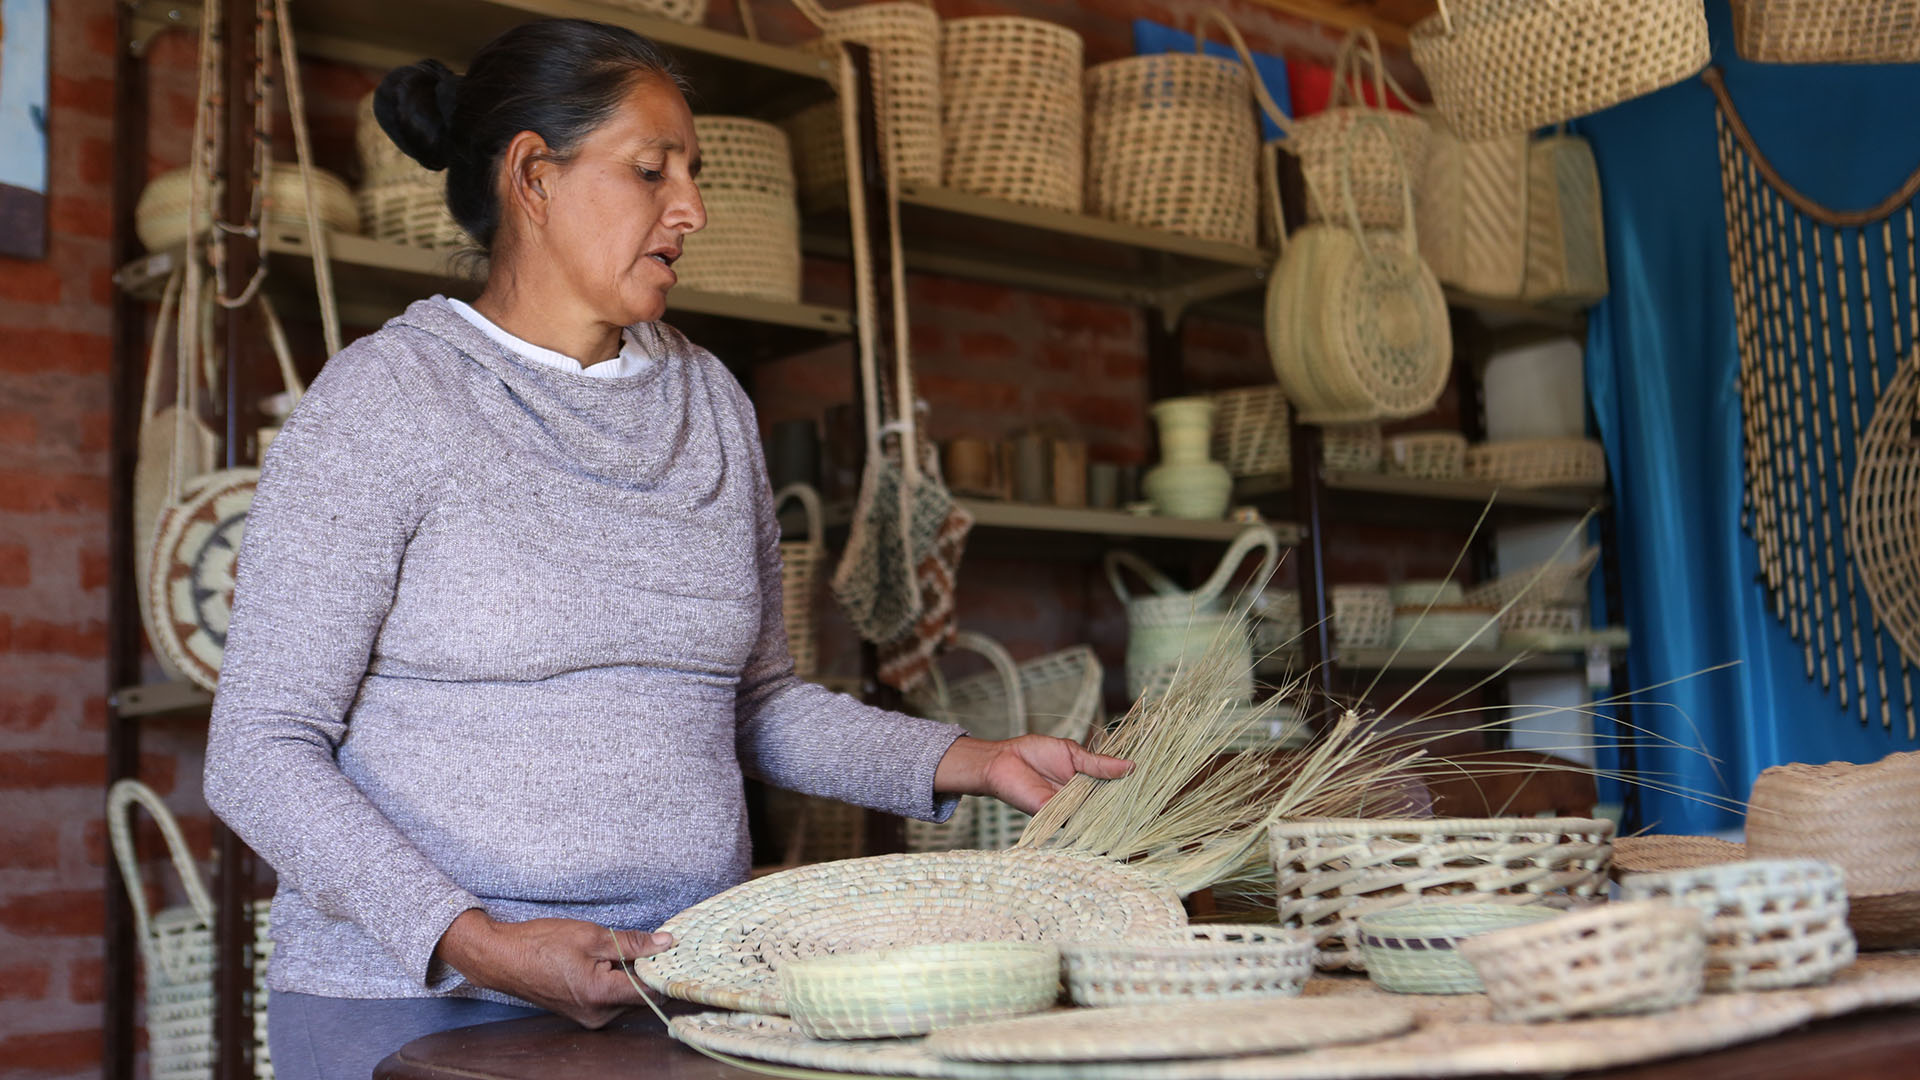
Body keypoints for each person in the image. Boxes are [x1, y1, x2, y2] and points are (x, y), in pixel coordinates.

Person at [203, 19, 1129, 1080]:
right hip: (411, 1010)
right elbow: (261, 749)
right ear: (532, 178)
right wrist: (474, 941)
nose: (691, 208)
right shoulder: (386, 400)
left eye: (690, 174)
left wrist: (972, 760)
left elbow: (755, 703)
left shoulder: (711, 403)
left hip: (681, 988)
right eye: (652, 171)